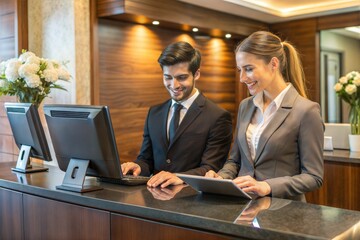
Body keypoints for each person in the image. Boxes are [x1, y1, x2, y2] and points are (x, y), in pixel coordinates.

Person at [205, 31, 324, 201]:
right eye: (240, 70)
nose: (242, 78)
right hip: (243, 207)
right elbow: (235, 161)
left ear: (273, 64)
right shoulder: (245, 106)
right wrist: (221, 177)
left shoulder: (306, 111)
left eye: (249, 69)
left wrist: (267, 186)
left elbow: (314, 177)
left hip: (283, 212)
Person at [122, 41, 233, 188]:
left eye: (181, 77)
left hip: (193, 200)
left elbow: (211, 168)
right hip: (154, 198)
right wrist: (137, 166)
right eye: (168, 77)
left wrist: (179, 177)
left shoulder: (218, 117)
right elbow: (146, 159)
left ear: (197, 74)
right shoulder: (154, 113)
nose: (174, 85)